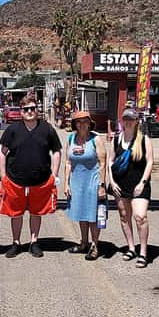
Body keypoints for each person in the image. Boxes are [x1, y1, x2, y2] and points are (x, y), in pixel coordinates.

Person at [0, 95, 62, 258]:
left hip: (40, 181)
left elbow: (56, 151)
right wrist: (3, 175)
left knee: (36, 212)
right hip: (15, 180)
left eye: (32, 108)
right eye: (26, 109)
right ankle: (16, 242)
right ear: (21, 111)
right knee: (16, 213)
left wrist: (54, 175)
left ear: (37, 110)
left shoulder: (46, 128)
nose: (29, 112)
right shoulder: (12, 130)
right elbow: (2, 152)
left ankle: (34, 242)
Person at [109, 107, 154, 268]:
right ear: (122, 121)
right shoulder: (116, 139)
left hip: (139, 185)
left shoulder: (143, 140)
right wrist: (112, 182)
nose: (127, 122)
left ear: (136, 122)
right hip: (120, 184)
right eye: (125, 119)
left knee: (140, 216)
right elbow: (111, 161)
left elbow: (150, 161)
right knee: (123, 216)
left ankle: (143, 253)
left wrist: (143, 182)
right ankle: (131, 248)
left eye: (131, 119)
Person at [64, 111, 107, 261]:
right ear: (75, 124)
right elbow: (68, 163)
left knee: (93, 215)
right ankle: (84, 243)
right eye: (78, 121)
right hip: (76, 182)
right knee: (81, 213)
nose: (82, 124)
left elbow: (103, 163)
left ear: (90, 123)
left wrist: (101, 185)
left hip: (92, 182)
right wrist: (66, 184)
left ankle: (95, 245)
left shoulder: (96, 139)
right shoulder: (71, 138)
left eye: (85, 121)